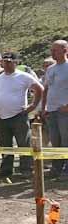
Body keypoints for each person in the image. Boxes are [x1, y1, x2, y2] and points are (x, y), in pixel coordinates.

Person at [0, 51, 43, 178]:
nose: (6, 64)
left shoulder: (24, 76)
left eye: (9, 62)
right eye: (4, 62)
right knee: (5, 145)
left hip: (19, 116)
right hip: (1, 117)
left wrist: (33, 106)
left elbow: (39, 89)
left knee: (23, 143)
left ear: (15, 62)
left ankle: (26, 169)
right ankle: (6, 170)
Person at [42, 40, 68, 178]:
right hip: (51, 110)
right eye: (51, 50)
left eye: (55, 50)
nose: (52, 53)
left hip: (64, 111)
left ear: (65, 50)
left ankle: (66, 170)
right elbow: (46, 89)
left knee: (66, 140)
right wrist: (44, 107)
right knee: (55, 140)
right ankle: (56, 168)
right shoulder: (50, 69)